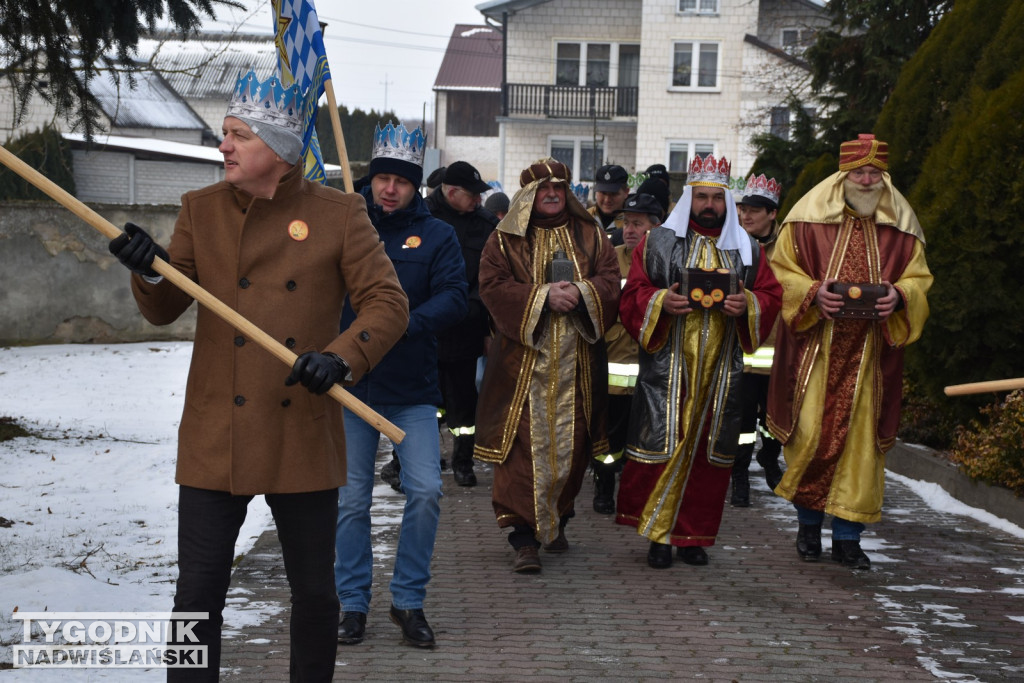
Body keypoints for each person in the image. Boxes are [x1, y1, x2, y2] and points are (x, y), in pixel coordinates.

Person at [107, 69, 409, 681]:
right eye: (224, 134)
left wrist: (341, 356)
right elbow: (165, 307)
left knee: (316, 596)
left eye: (237, 135)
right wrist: (150, 269)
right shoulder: (201, 210)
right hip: (218, 431)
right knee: (196, 596)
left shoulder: (340, 213)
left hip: (301, 426)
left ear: (278, 148)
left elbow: (387, 302)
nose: (223, 147)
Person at [766, 134, 932, 569]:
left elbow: (920, 280)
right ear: (843, 176)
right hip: (815, 356)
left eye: (874, 173)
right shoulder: (804, 223)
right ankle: (807, 527)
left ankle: (847, 538)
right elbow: (779, 273)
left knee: (861, 451)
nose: (866, 179)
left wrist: (900, 296)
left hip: (872, 360)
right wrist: (813, 294)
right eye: (859, 172)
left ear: (884, 177)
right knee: (810, 439)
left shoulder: (901, 229)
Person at [334, 122, 468, 648]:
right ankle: (352, 605)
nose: (390, 188)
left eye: (402, 181)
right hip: (350, 387)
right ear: (371, 179)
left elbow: (456, 296)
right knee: (349, 502)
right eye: (383, 178)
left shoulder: (438, 236)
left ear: (417, 187)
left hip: (412, 388)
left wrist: (403, 323)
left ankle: (408, 602)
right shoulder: (346, 227)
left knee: (427, 491)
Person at [616, 154, 782, 569]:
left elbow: (772, 297)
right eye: (702, 196)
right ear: (690, 198)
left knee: (710, 456)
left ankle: (692, 536)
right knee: (664, 447)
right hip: (669, 371)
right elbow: (632, 294)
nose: (709, 205)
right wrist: (660, 301)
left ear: (727, 201)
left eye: (717, 198)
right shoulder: (658, 244)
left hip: (721, 374)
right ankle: (658, 535)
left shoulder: (750, 252)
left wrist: (748, 305)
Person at [474, 158, 621, 573]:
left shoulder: (591, 234)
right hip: (522, 368)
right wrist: (541, 298)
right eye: (542, 188)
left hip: (578, 366)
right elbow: (492, 285)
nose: (552, 193)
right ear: (528, 195)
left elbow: (611, 280)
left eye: (559, 186)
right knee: (521, 453)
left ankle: (556, 520)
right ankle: (523, 539)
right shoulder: (504, 240)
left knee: (573, 449)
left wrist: (581, 292)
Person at [426, 160, 499, 486]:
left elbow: (491, 278)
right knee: (424, 402)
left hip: (466, 326)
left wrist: (477, 317)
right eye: (473, 195)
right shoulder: (422, 216)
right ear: (452, 192)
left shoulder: (484, 225)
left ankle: (462, 461)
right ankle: (417, 461)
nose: (479, 201)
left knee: (463, 404)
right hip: (424, 329)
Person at [593, 192, 664, 514]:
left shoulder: (665, 261)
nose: (630, 229)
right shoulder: (610, 258)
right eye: (626, 223)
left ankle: (638, 495)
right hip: (614, 363)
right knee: (609, 437)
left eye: (638, 223)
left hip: (654, 367)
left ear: (657, 227)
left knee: (647, 438)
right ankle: (604, 487)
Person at [730, 173, 786, 507]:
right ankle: (738, 476)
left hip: (778, 352)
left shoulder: (788, 250)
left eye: (755, 209)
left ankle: (769, 456)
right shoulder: (731, 246)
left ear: (772, 214)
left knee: (774, 418)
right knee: (741, 421)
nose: (746, 215)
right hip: (740, 350)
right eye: (743, 208)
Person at [588, 163, 629, 246]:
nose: (607, 200)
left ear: (626, 192)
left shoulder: (632, 223)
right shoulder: (584, 218)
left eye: (613, 194)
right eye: (603, 193)